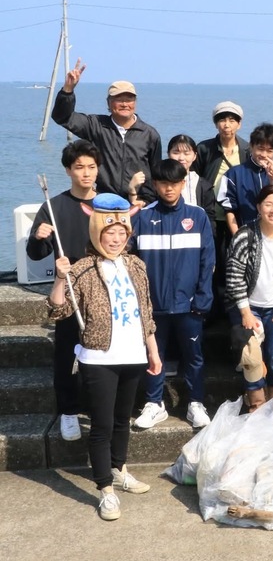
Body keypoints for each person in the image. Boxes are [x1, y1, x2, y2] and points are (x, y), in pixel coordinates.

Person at [46, 193, 161, 520]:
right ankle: (105, 489)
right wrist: (58, 279)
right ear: (97, 232)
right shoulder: (80, 268)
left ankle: (119, 469)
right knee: (102, 424)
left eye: (121, 233)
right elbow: (58, 310)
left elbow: (146, 312)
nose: (115, 239)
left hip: (134, 354)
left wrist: (152, 350)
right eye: (109, 233)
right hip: (98, 359)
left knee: (122, 420)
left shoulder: (136, 264)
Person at [131, 159, 216, 430]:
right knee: (153, 356)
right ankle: (154, 403)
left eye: (175, 183)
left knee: (194, 355)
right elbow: (129, 259)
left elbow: (208, 261)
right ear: (155, 185)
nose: (169, 189)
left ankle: (196, 403)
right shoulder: (143, 218)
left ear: (183, 183)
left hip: (189, 305)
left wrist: (203, 297)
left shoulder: (198, 216)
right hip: (153, 306)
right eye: (163, 183)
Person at [27, 139, 98, 441]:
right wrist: (38, 236)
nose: (86, 173)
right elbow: (34, 254)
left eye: (91, 167)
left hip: (102, 288)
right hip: (68, 289)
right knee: (66, 353)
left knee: (101, 353)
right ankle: (68, 411)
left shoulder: (108, 203)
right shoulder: (53, 206)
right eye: (79, 167)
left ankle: (98, 409)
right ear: (68, 170)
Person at [225, 185, 273, 411]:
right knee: (251, 358)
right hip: (248, 306)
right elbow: (234, 276)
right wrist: (245, 312)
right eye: (268, 204)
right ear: (259, 207)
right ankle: (256, 404)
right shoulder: (245, 235)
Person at [50, 59, 161, 204]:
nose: (124, 104)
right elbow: (62, 117)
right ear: (108, 103)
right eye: (118, 99)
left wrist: (149, 201)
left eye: (129, 99)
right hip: (105, 201)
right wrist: (68, 90)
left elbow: (157, 173)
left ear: (135, 102)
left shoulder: (149, 134)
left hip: (140, 203)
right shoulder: (96, 125)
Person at [196, 100, 247, 299]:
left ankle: (231, 307)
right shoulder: (205, 149)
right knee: (210, 261)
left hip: (236, 217)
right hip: (210, 216)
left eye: (232, 120)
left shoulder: (246, 150)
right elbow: (195, 179)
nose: (227, 125)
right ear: (216, 124)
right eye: (222, 120)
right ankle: (211, 308)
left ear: (239, 124)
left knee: (232, 261)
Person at [218, 123, 273, 236]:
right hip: (245, 234)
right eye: (260, 149)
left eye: (269, 150)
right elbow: (229, 211)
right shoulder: (234, 174)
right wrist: (238, 237)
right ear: (251, 146)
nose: (264, 154)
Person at [166, 135, 217, 229]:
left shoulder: (204, 186)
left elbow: (209, 217)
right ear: (168, 154)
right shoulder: (159, 182)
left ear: (195, 156)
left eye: (186, 153)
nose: (181, 158)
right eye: (176, 152)